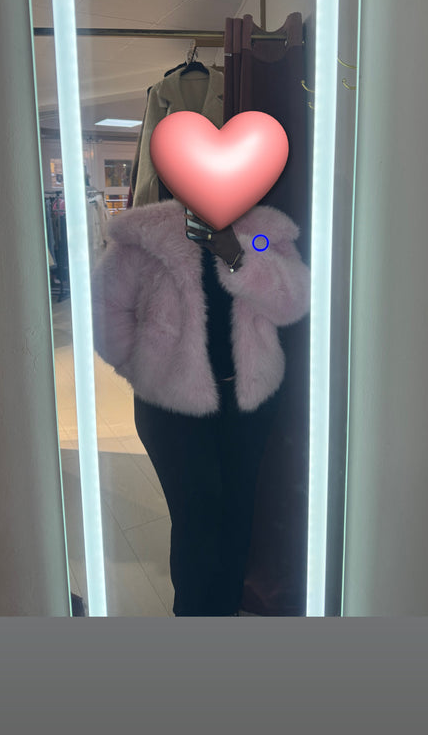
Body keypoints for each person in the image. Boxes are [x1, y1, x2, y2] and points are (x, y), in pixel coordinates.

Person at [91, 175, 310, 616]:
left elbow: (294, 300)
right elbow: (103, 309)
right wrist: (143, 367)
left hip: (248, 404)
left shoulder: (263, 233)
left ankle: (224, 612)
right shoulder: (146, 235)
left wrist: (238, 255)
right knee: (198, 518)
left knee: (238, 513)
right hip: (171, 411)